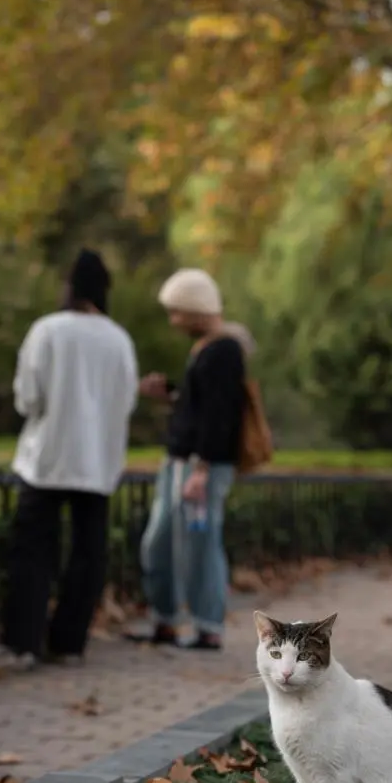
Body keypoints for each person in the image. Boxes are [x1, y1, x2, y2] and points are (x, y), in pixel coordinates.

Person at [0, 249, 138, 670]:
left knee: (32, 551)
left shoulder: (47, 330)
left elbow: (27, 398)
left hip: (46, 458)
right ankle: (69, 644)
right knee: (88, 554)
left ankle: (23, 643)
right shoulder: (118, 339)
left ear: (69, 286)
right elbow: (126, 401)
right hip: (97, 463)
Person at [127, 268, 249, 651]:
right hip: (180, 461)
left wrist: (202, 467)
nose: (174, 321)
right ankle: (166, 618)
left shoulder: (224, 351)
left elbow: (221, 416)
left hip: (200, 467)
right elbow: (201, 408)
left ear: (196, 309)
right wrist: (173, 397)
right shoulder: (205, 349)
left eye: (177, 312)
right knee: (159, 542)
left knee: (200, 543)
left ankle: (207, 625)